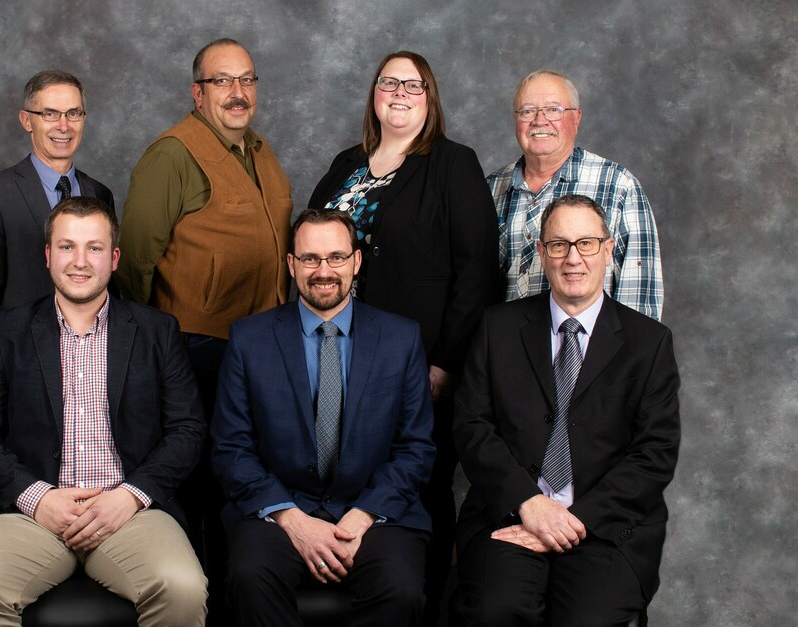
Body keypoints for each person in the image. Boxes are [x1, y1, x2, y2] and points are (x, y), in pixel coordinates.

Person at [0, 197, 208, 626]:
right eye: (67, 247)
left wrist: (131, 495)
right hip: (30, 512)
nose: (80, 261)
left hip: (129, 511)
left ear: (115, 258)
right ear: (48, 256)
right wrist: (37, 498)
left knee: (182, 588)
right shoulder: (8, 332)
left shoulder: (158, 331)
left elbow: (189, 430)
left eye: (95, 247)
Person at [308, 50, 499, 623]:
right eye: (389, 82)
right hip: (336, 356)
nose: (399, 92)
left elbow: (478, 270)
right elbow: (312, 249)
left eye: (412, 84)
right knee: (342, 475)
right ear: (374, 93)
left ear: (429, 97)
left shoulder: (451, 163)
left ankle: (423, 612)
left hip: (418, 364)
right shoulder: (347, 163)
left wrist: (444, 362)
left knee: (420, 487)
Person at [115, 40, 293, 616]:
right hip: (195, 349)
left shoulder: (261, 152)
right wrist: (154, 344)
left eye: (246, 80)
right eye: (222, 82)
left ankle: (243, 604)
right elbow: (137, 259)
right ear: (199, 92)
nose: (238, 93)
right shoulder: (171, 154)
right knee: (200, 486)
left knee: (246, 484)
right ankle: (193, 611)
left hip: (261, 347)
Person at [451, 194, 681, 625]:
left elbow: (655, 455)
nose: (573, 258)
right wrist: (529, 503)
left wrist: (573, 520)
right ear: (542, 252)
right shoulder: (498, 328)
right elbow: (471, 427)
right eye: (558, 245)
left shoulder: (648, 344)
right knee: (496, 610)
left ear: (609, 250)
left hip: (606, 527)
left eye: (586, 243)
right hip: (511, 513)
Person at [212, 209, 436, 627]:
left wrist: (364, 515)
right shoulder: (249, 338)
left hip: (375, 509)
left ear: (356, 261)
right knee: (249, 577)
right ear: (292, 265)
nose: (324, 271)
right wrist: (291, 519)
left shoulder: (401, 337)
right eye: (310, 259)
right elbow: (231, 449)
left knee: (401, 589)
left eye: (336, 257)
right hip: (281, 508)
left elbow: (416, 448)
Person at [489, 69, 663, 320]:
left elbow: (640, 299)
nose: (540, 120)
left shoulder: (618, 185)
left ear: (576, 118)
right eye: (527, 111)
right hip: (504, 352)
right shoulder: (491, 188)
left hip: (588, 352)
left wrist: (626, 357)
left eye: (553, 110)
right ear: (516, 119)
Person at [0, 69, 114, 341]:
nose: (63, 126)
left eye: (73, 113)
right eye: (50, 114)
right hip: (25, 359)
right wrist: (13, 357)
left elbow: (109, 285)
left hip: (92, 357)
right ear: (27, 120)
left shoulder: (100, 194)